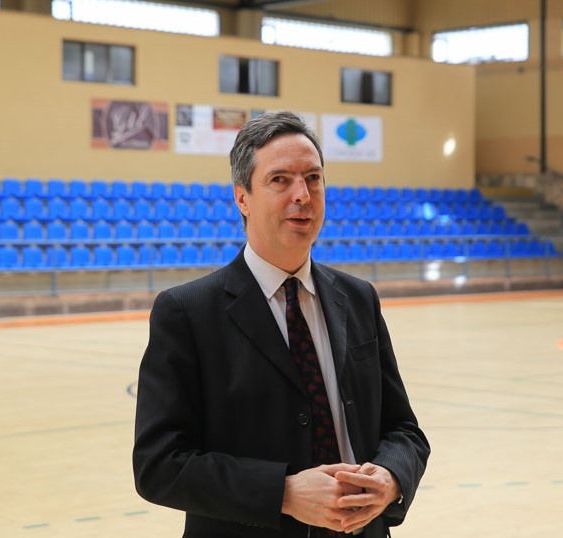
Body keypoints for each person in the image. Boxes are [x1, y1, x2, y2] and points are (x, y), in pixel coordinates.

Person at [133, 111, 430, 538]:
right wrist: (283, 493)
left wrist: (391, 477)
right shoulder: (187, 312)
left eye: (313, 178)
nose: (303, 195)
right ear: (242, 198)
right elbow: (158, 464)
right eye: (280, 180)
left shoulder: (359, 297)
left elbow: (404, 430)